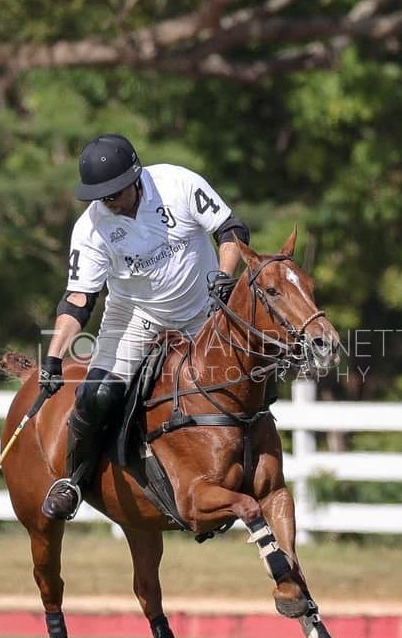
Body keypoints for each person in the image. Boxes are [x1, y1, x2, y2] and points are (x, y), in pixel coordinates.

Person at [36, 133, 250, 521]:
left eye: (114, 193)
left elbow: (231, 229)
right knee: (96, 395)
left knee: (251, 374)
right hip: (135, 316)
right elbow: (79, 299)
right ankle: (75, 481)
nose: (109, 202)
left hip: (205, 307)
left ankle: (257, 463)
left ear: (135, 178)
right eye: (101, 196)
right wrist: (53, 357)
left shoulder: (178, 184)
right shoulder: (92, 228)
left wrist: (224, 275)